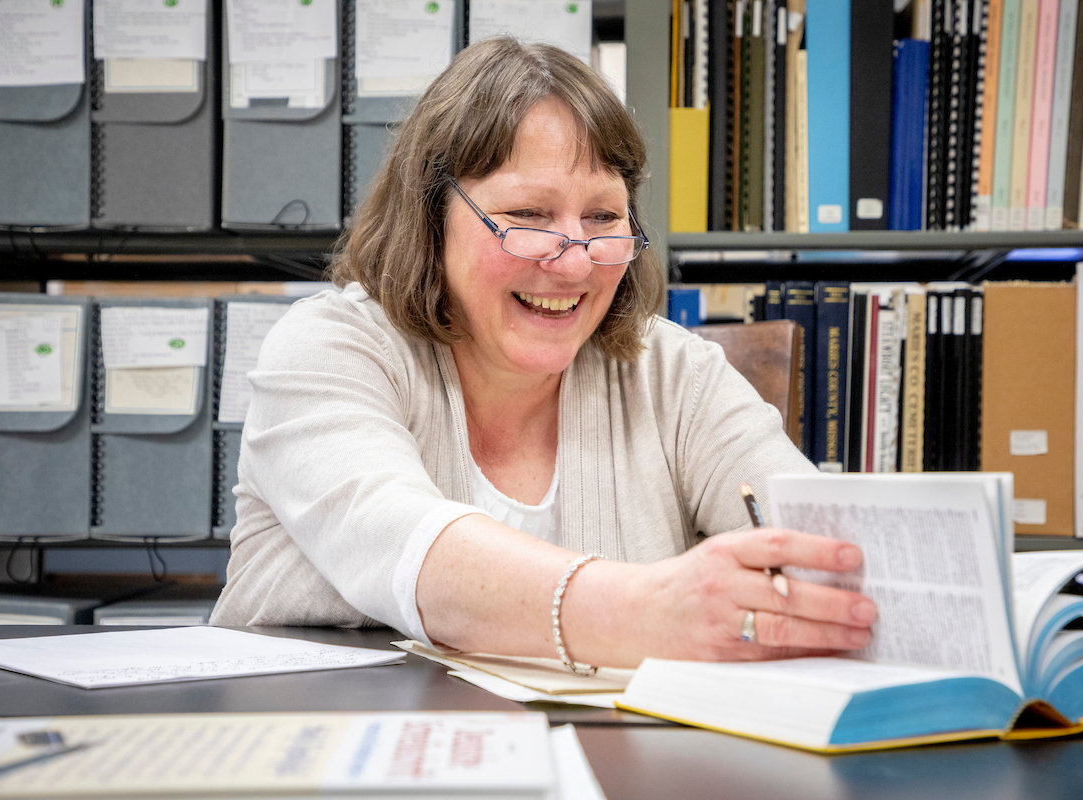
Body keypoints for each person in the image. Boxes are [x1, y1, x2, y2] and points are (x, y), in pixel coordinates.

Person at [210, 37, 876, 669]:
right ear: (430, 214)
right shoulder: (326, 349)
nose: (574, 260)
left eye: (603, 217)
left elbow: (832, 556)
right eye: (528, 214)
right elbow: (403, 545)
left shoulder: (679, 376)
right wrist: (650, 610)